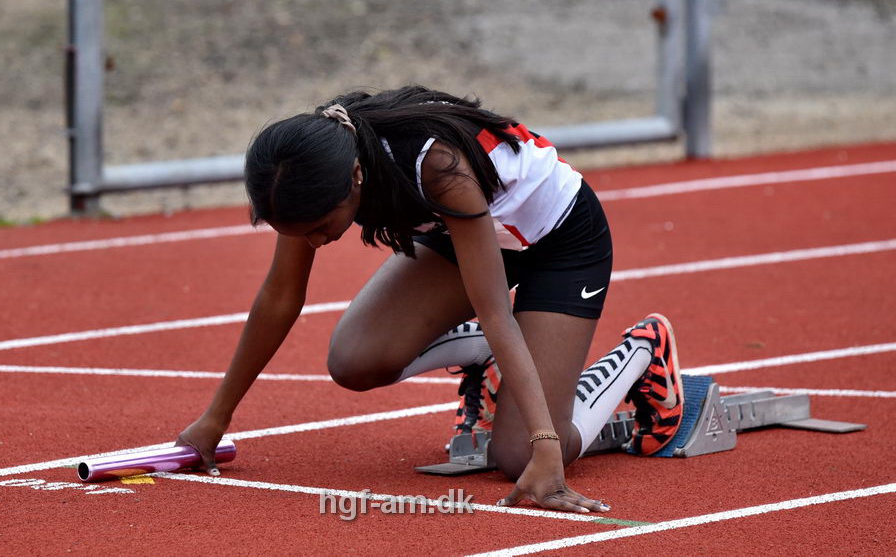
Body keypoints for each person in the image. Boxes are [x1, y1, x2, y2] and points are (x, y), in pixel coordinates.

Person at [175, 85, 684, 513]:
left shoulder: (438, 166)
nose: (311, 242)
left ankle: (642, 352)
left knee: (516, 454)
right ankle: (489, 358)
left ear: (355, 179)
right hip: (467, 236)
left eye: (317, 229)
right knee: (354, 360)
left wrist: (546, 446)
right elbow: (281, 295)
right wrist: (215, 420)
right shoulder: (310, 171)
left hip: (561, 244)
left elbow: (495, 311)